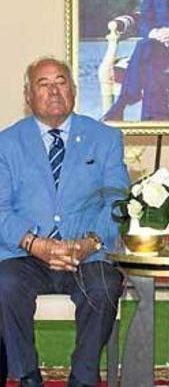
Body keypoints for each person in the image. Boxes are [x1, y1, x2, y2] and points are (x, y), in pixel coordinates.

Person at [0, 57, 127, 387]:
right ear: (29, 96)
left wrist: (91, 242)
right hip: (24, 254)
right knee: (4, 285)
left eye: (61, 82)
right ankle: (27, 375)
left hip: (86, 254)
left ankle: (83, 378)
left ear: (73, 90)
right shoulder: (6, 143)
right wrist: (34, 243)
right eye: (44, 84)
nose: (54, 90)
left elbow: (118, 200)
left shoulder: (105, 138)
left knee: (105, 286)